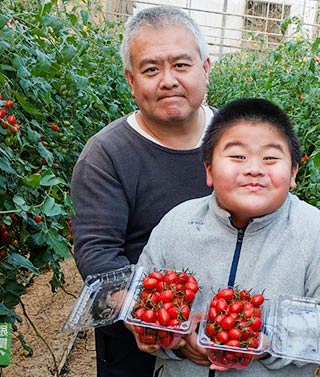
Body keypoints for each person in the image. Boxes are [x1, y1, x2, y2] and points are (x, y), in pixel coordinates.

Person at [136, 98, 320, 376]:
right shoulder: (177, 223)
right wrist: (175, 340)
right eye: (237, 156)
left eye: (270, 158)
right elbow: (143, 298)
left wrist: (268, 339)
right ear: (209, 169)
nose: (254, 169)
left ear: (293, 171)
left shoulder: (316, 234)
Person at [70, 6, 215, 377]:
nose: (168, 80)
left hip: (228, 334)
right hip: (141, 348)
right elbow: (99, 252)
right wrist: (154, 318)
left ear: (206, 69)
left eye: (181, 65)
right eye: (151, 69)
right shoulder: (107, 155)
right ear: (131, 81)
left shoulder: (239, 141)